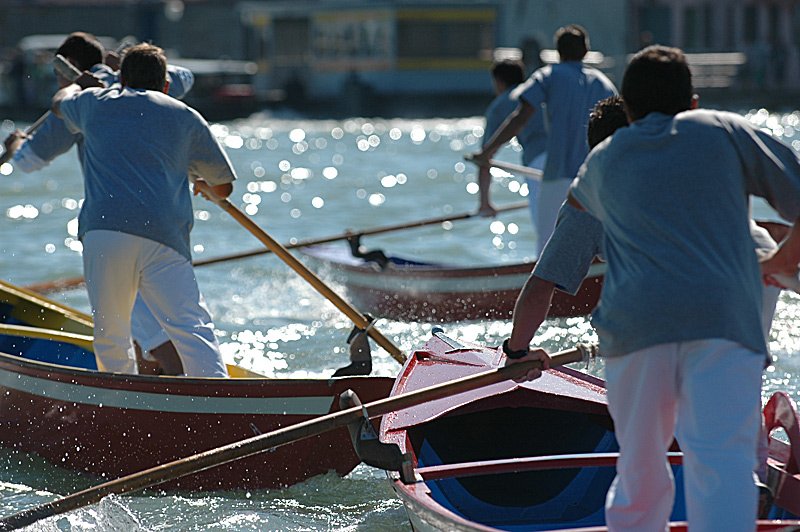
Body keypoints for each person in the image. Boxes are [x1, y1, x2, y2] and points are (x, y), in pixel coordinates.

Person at [568, 45, 800, 532]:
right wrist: (783, 259)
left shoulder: (604, 158)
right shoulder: (724, 130)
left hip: (634, 329)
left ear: (627, 110)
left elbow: (577, 207)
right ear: (692, 102)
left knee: (638, 470)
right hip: (722, 325)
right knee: (722, 466)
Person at [3, 32, 194, 374]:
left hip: (115, 222)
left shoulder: (86, 99)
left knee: (140, 316)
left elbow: (31, 159)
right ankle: (155, 384)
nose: (58, 83)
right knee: (149, 312)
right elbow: (185, 77)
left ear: (70, 71)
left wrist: (18, 143)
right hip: (166, 219)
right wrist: (126, 66)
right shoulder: (147, 84)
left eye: (59, 77)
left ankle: (183, 390)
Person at [52, 43, 236, 377]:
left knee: (112, 333)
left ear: (121, 79)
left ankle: (123, 400)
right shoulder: (185, 115)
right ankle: (217, 399)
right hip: (166, 239)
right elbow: (223, 188)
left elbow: (59, 104)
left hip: (105, 233)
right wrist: (204, 185)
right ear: (166, 85)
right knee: (192, 327)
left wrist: (78, 86)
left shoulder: (95, 103)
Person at [472, 24, 616, 256]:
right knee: (598, 244)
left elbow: (520, 117)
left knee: (549, 247)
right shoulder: (605, 83)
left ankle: (550, 288)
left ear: (558, 52)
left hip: (556, 174)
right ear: (586, 51)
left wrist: (487, 153)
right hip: (593, 175)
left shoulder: (547, 76)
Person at [478, 58, 547, 222]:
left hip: (538, 163)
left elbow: (485, 159)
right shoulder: (542, 96)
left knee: (546, 233)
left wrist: (485, 204)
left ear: (498, 82)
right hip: (573, 162)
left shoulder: (501, 104)